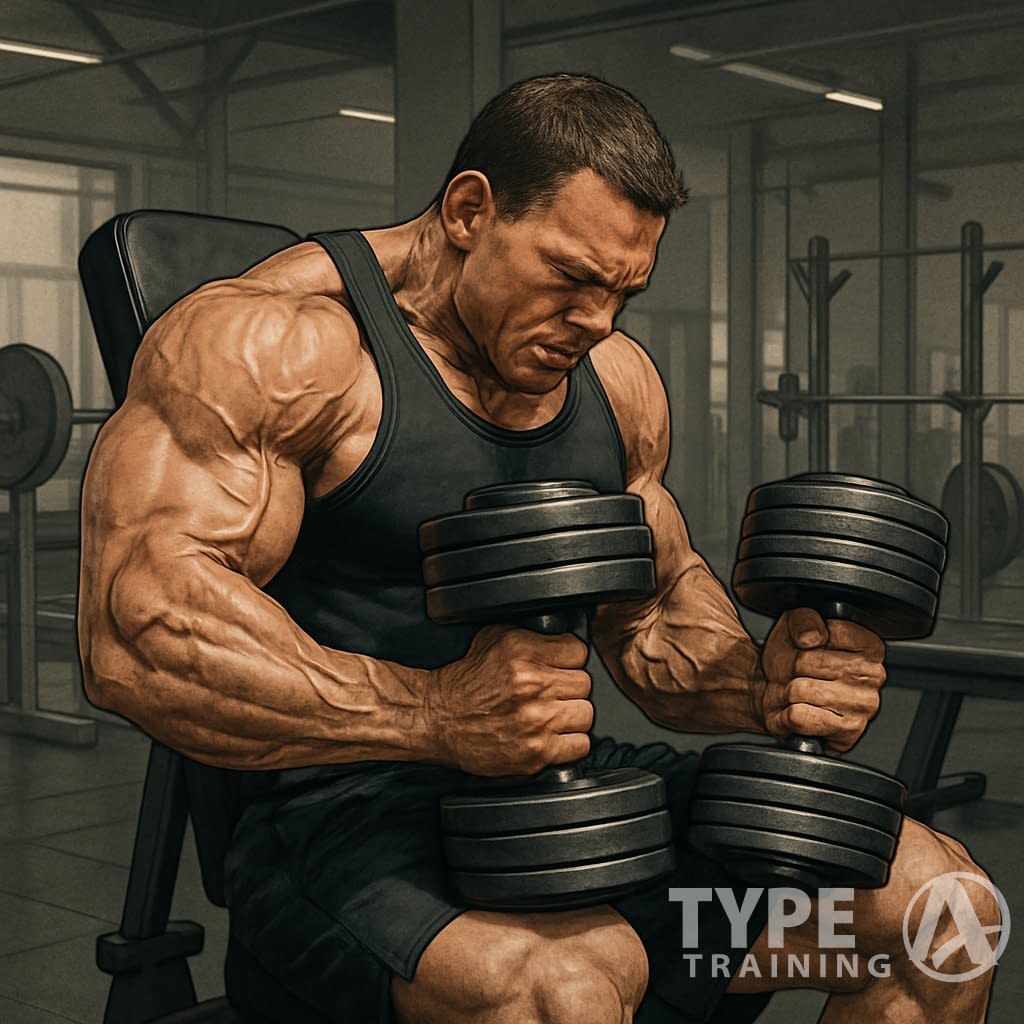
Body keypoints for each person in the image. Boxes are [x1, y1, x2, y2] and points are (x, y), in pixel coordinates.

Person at [78, 74, 997, 1023]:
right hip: (342, 834)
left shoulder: (612, 379)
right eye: (572, 278)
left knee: (946, 918)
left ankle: (675, 945)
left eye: (624, 291)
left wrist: (765, 687)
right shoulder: (279, 344)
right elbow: (137, 633)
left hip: (569, 815)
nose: (600, 320)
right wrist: (435, 713)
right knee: (569, 991)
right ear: (471, 210)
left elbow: (652, 612)